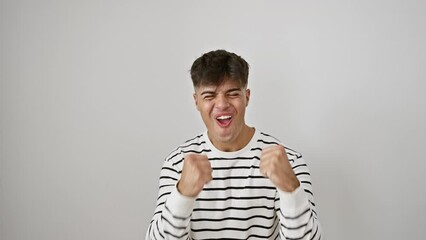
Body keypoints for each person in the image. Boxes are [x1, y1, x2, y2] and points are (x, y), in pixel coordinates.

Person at [146, 49, 322, 240]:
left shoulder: (288, 162)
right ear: (196, 102)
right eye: (209, 95)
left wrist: (291, 189)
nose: (221, 104)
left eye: (232, 93)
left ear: (247, 97)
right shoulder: (177, 162)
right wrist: (183, 195)